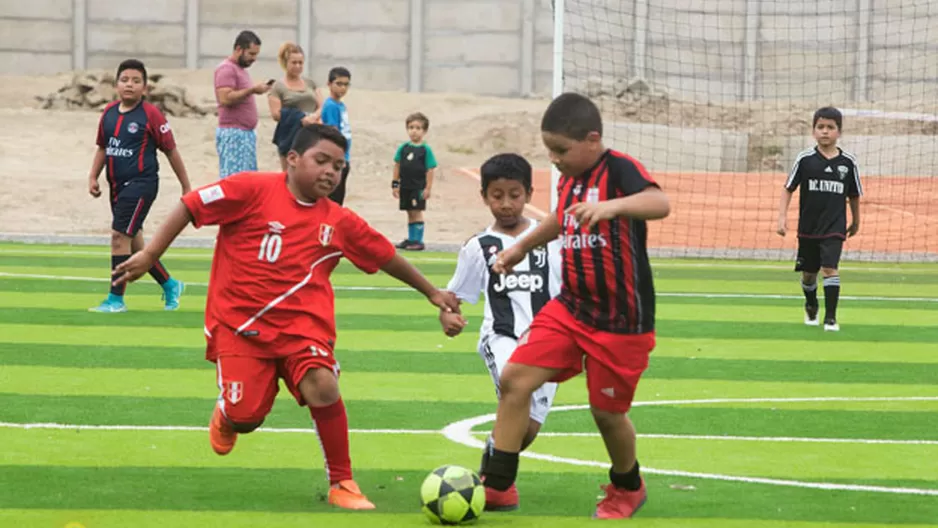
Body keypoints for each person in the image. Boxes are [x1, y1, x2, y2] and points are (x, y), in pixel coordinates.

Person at [112, 124, 460, 510]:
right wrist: (151, 253)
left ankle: (342, 482)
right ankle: (229, 415)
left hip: (303, 330)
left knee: (323, 385)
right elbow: (191, 205)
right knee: (247, 418)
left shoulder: (339, 221)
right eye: (322, 161)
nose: (330, 172)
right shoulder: (250, 188)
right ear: (292, 160)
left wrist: (432, 292)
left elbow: (384, 256)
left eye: (339, 167)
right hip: (240, 327)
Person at [477, 93, 671, 519]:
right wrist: (520, 248)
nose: (555, 159)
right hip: (571, 308)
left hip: (622, 321)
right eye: (550, 150)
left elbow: (660, 202)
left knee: (606, 413)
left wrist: (613, 206)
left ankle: (628, 486)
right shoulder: (570, 179)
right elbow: (561, 216)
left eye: (561, 150)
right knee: (515, 380)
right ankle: (498, 487)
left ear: (592, 140)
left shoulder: (619, 170)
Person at [439, 153, 562, 511]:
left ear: (529, 194)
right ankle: (495, 488)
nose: (506, 204)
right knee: (516, 392)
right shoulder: (478, 246)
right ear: (484, 196)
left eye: (514, 194)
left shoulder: (549, 240)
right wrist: (447, 316)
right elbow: (455, 297)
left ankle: (491, 468)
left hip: (547, 343)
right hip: (502, 339)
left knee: (527, 432)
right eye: (497, 195)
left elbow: (569, 286)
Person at [86, 58, 190, 313]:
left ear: (145, 88)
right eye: (124, 80)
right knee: (135, 246)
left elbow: (171, 151)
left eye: (135, 81)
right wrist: (93, 176)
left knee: (119, 236)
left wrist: (186, 187)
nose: (129, 85)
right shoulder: (109, 113)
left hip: (141, 184)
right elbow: (103, 147)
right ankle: (170, 284)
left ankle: (115, 299)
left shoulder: (151, 115)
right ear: (116, 84)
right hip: (116, 187)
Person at [777, 106, 862, 332]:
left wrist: (856, 221)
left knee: (830, 268)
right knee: (808, 274)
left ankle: (831, 318)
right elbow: (788, 188)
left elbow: (854, 195)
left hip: (834, 227)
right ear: (813, 131)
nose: (825, 132)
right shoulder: (805, 159)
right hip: (808, 227)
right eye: (820, 127)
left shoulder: (848, 162)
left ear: (839, 132)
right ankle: (811, 304)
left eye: (830, 127)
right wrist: (781, 217)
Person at [214, 30, 271, 179]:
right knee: (234, 181)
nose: (254, 59)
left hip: (245, 135)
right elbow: (225, 98)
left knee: (247, 181)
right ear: (239, 49)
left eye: (256, 54)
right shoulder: (226, 69)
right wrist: (252, 90)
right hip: (234, 135)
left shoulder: (240, 70)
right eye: (251, 54)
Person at [268, 41, 324, 171]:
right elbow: (276, 114)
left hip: (312, 131)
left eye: (300, 63)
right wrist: (299, 117)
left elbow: (322, 105)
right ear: (285, 63)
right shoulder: (278, 86)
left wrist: (313, 117)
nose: (298, 66)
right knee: (290, 174)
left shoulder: (310, 83)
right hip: (289, 133)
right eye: (294, 63)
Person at [392, 112, 437, 250]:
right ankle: (411, 239)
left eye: (418, 128)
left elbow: (430, 169)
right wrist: (395, 183)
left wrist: (428, 188)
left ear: (424, 131)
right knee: (409, 211)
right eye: (411, 127)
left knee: (416, 211)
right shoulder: (403, 148)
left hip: (418, 187)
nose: (414, 131)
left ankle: (418, 240)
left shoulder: (425, 150)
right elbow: (397, 165)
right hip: (406, 185)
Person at [320, 67, 352, 205]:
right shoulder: (331, 106)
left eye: (346, 84)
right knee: (334, 199)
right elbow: (333, 133)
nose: (342, 88)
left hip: (344, 156)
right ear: (329, 84)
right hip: (338, 158)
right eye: (339, 84)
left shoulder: (340, 105)